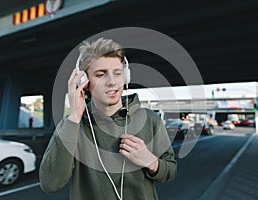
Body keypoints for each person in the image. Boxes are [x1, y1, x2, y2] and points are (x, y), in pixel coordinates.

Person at [39, 38, 177, 200]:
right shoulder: (72, 125)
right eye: (100, 74)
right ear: (84, 82)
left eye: (117, 73)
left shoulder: (150, 119)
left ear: (125, 77)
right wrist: (74, 117)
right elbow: (50, 184)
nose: (112, 82)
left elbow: (170, 171)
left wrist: (151, 162)